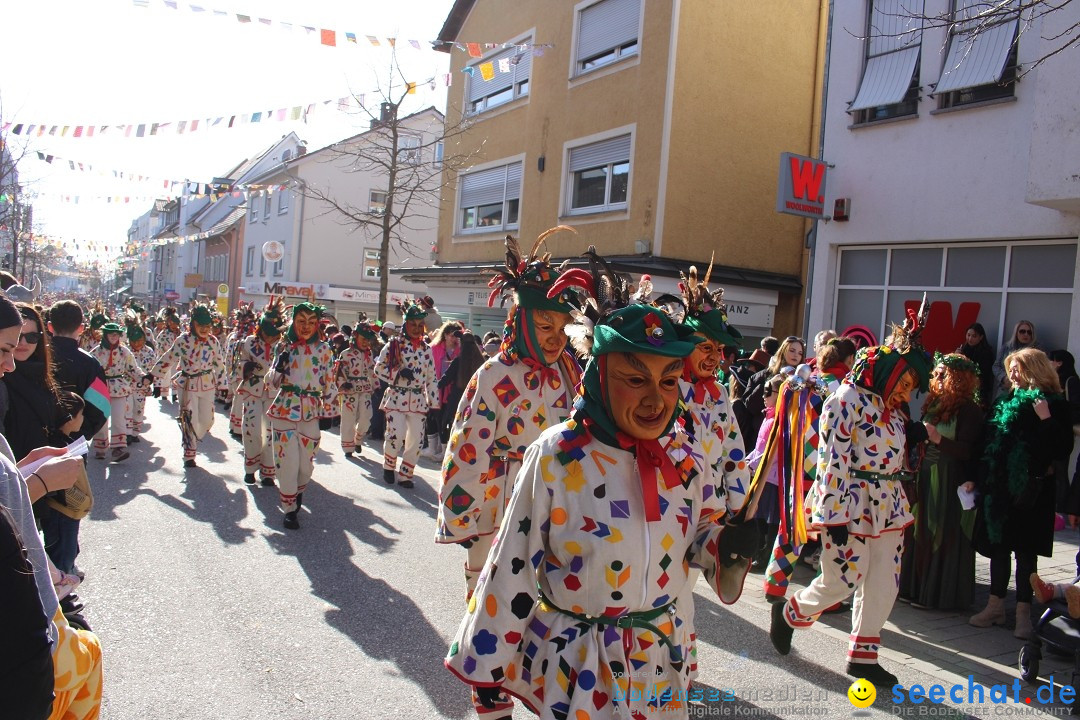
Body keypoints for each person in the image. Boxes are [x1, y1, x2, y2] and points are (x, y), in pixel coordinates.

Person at [445, 248, 762, 719]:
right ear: (598, 376)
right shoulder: (558, 455)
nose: (657, 399)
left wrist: (725, 546)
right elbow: (513, 560)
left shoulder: (684, 454)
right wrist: (486, 660)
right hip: (582, 665)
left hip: (658, 661)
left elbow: (694, 535)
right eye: (635, 379)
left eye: (669, 381)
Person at [436, 230, 582, 718]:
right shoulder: (494, 375)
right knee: (492, 589)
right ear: (521, 320)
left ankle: (525, 670)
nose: (556, 337)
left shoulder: (570, 373)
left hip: (554, 498)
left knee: (541, 592)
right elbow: (468, 444)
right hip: (499, 497)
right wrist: (464, 515)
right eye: (545, 325)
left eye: (562, 327)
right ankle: (486, 678)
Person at [770, 311, 933, 688]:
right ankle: (791, 613)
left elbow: (889, 455)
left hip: (888, 506)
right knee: (842, 579)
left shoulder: (893, 410)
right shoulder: (844, 400)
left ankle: (863, 657)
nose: (908, 393)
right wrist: (834, 516)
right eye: (905, 384)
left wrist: (912, 435)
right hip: (849, 503)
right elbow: (831, 460)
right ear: (890, 373)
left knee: (884, 582)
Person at [0, 292, 103, 720]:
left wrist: (29, 468)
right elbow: (99, 405)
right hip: (20, 656)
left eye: (24, 341)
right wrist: (39, 478)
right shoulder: (25, 380)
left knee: (58, 548)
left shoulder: (43, 373)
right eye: (7, 346)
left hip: (39, 492)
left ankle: (62, 584)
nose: (13, 359)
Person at [970, 348, 1073, 639]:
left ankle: (1024, 614)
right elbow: (987, 444)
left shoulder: (1053, 404)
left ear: (1035, 370)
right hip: (1000, 490)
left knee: (1026, 553)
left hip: (1032, 490)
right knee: (999, 549)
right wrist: (976, 479)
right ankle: (995, 606)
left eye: (1017, 369)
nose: (1012, 374)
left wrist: (1046, 419)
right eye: (1010, 369)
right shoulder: (1004, 402)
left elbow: (1063, 447)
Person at [899, 354, 984, 610]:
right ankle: (914, 588)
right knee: (918, 529)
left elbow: (969, 451)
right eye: (936, 373)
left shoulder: (969, 409)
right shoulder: (933, 403)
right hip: (924, 473)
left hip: (948, 479)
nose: (935, 378)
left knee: (940, 530)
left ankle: (937, 595)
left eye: (942, 374)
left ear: (958, 378)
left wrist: (938, 439)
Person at [264, 302, 336, 529]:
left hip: (311, 412)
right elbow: (271, 383)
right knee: (287, 463)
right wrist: (278, 368)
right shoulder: (284, 346)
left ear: (317, 325)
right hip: (285, 409)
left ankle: (298, 492)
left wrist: (331, 412)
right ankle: (289, 509)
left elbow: (329, 382)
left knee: (306, 466)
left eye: (311, 322)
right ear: (294, 322)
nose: (306, 327)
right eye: (301, 321)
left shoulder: (324, 350)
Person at [152, 304, 225, 468]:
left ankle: (194, 438)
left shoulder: (213, 342)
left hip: (207, 384)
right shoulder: (183, 341)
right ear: (193, 324)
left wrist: (224, 385)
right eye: (201, 325)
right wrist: (154, 377)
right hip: (188, 384)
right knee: (189, 418)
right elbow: (168, 358)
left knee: (207, 421)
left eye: (208, 326)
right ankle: (189, 453)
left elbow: (220, 365)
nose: (205, 329)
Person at [374, 302, 436, 489]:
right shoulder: (394, 345)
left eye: (420, 325)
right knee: (396, 434)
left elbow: (432, 378)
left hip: (418, 400)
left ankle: (406, 474)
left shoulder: (426, 349)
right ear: (405, 324)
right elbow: (378, 369)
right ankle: (389, 464)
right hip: (396, 397)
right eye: (413, 324)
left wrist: (434, 404)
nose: (417, 329)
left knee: (416, 439)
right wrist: (397, 374)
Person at [236, 298, 285, 486]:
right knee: (251, 429)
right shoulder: (249, 342)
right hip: (253, 390)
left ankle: (268, 472)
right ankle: (250, 468)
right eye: (268, 332)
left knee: (271, 433)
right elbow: (238, 364)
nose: (271, 337)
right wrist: (246, 366)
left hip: (275, 394)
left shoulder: (284, 346)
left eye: (275, 334)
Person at [90, 321, 148, 462]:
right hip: (101, 387)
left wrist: (144, 378)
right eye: (111, 334)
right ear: (105, 335)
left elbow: (133, 369)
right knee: (101, 420)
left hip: (119, 387)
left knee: (119, 418)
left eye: (117, 334)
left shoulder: (124, 351)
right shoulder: (96, 351)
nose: (114, 337)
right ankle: (101, 448)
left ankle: (117, 448)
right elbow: (89, 369)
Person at [434, 330, 485, 453]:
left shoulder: (458, 361)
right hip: (475, 399)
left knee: (451, 425)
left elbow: (445, 379)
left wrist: (432, 385)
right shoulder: (482, 362)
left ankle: (450, 452)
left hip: (457, 399)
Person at [334, 322, 378, 458]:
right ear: (356, 337)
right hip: (349, 389)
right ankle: (348, 447)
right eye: (363, 338)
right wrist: (343, 383)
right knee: (348, 418)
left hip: (365, 388)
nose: (365, 342)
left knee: (366, 416)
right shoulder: (345, 354)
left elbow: (372, 370)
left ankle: (358, 439)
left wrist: (375, 385)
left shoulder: (369, 354)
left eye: (367, 339)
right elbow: (339, 371)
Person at [422, 320, 463, 460]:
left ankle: (443, 449)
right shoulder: (434, 348)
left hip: (452, 391)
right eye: (452, 335)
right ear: (445, 335)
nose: (454, 338)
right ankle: (433, 448)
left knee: (446, 418)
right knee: (433, 417)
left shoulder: (461, 350)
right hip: (436, 388)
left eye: (457, 336)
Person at [125, 318, 157, 444]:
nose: (137, 344)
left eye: (140, 341)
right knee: (126, 410)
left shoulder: (149, 352)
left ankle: (135, 432)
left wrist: (157, 385)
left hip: (141, 388)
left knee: (138, 410)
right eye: (134, 341)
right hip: (126, 387)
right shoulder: (125, 351)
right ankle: (126, 434)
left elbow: (155, 369)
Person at [992, 320, 1041, 401]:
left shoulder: (1036, 351)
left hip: (1025, 391)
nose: (1026, 334)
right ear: (1016, 333)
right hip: (1005, 388)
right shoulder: (1007, 347)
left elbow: (1040, 370)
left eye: (1029, 332)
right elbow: (996, 366)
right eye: (1022, 331)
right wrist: (1004, 377)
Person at [957, 322, 994, 411]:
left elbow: (982, 373)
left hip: (978, 391)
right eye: (968, 335)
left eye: (974, 336)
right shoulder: (964, 348)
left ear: (981, 337)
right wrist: (956, 357)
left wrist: (964, 360)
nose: (970, 338)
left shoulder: (986, 352)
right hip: (963, 389)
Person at [153, 307, 182, 402]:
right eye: (172, 323)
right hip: (166, 357)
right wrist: (163, 353)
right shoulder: (163, 334)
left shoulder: (180, 334)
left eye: (176, 324)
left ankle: (174, 393)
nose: (174, 326)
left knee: (175, 375)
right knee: (165, 375)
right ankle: (164, 393)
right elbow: (159, 345)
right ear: (168, 323)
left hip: (177, 359)